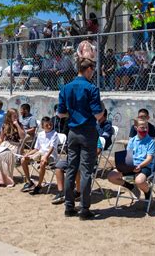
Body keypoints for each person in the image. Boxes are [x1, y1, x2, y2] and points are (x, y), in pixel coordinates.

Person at [58, 58, 104, 220]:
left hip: (72, 132)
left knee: (71, 169)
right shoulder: (91, 88)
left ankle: (69, 207)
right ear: (89, 69)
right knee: (85, 171)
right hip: (88, 132)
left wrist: (73, 114)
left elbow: (60, 114)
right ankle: (84, 209)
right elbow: (98, 114)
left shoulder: (65, 88)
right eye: (93, 70)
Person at [108, 118, 155, 201]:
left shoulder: (151, 142)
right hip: (131, 165)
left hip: (145, 166)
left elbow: (149, 158)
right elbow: (128, 155)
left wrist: (140, 166)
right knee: (111, 176)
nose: (145, 129)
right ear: (136, 128)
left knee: (139, 181)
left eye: (146, 127)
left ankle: (147, 192)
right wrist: (122, 165)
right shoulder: (132, 141)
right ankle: (130, 186)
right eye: (142, 127)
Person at [52, 138, 103, 205]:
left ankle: (78, 192)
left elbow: (98, 149)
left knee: (77, 169)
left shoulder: (93, 134)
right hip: (72, 159)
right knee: (59, 167)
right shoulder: (75, 133)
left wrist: (87, 157)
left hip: (85, 160)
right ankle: (61, 192)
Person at [21, 117, 59, 195]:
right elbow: (37, 149)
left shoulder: (54, 134)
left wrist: (46, 156)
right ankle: (29, 181)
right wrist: (28, 153)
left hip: (50, 155)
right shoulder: (40, 134)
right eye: (47, 125)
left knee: (42, 161)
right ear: (42, 127)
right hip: (40, 153)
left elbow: (52, 148)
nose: (49, 126)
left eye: (50, 124)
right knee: (23, 159)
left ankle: (39, 185)